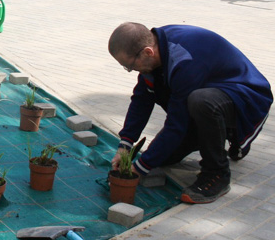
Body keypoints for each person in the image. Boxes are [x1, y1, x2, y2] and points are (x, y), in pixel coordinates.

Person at [108, 22, 271, 204]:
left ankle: (217, 173)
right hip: (211, 91)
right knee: (163, 156)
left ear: (147, 52)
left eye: (130, 66)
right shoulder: (155, 50)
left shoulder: (184, 60)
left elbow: (176, 124)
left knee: (201, 101)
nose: (131, 71)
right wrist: (125, 146)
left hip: (247, 99)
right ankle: (214, 134)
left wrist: (138, 169)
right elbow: (142, 99)